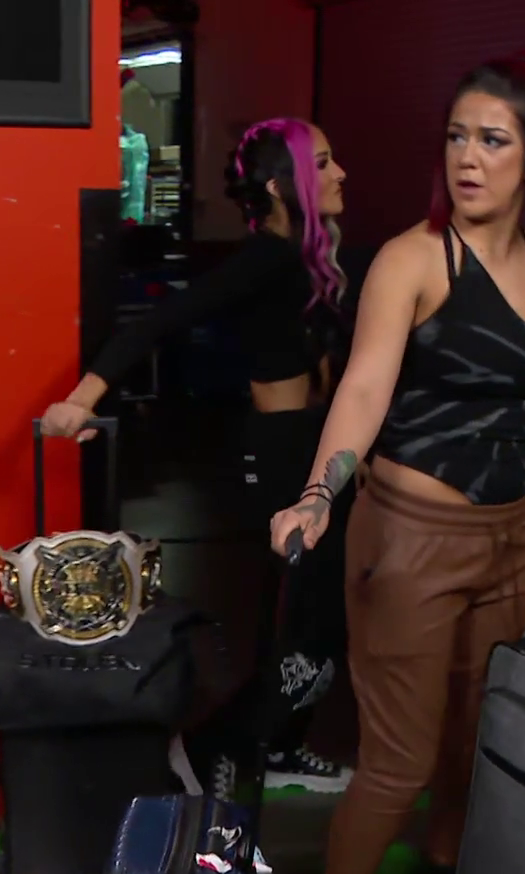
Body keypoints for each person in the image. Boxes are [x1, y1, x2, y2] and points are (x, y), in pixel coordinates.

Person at [266, 50, 525, 874]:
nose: (467, 157)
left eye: (491, 140)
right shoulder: (414, 259)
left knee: (474, 744)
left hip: (513, 539)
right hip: (411, 536)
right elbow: (364, 389)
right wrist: (319, 494)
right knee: (401, 759)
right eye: (457, 137)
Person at [42, 116, 355, 796]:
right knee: (306, 616)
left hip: (319, 445)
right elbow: (161, 322)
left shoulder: (309, 258)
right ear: (280, 186)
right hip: (282, 452)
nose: (340, 174)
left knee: (322, 616)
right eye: (323, 163)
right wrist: (82, 398)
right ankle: (212, 743)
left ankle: (281, 744)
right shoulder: (264, 259)